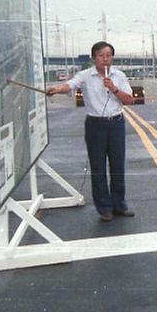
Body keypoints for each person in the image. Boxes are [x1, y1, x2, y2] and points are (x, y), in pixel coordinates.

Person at [47, 41, 135, 222]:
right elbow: (69, 85)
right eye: (101, 55)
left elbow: (129, 100)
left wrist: (114, 88)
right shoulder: (85, 75)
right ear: (94, 57)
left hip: (116, 123)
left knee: (118, 165)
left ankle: (120, 204)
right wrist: (56, 89)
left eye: (109, 55)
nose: (105, 59)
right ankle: (104, 208)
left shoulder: (119, 76)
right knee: (98, 166)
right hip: (95, 125)